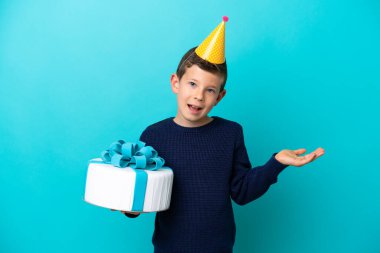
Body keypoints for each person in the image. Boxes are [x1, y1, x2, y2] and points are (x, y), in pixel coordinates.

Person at [118, 17, 324, 253]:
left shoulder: (230, 133)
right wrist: (128, 205)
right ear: (176, 82)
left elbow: (242, 192)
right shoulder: (154, 135)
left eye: (210, 90)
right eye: (193, 84)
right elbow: (144, 196)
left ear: (220, 97)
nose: (199, 96)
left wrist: (276, 163)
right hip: (169, 248)